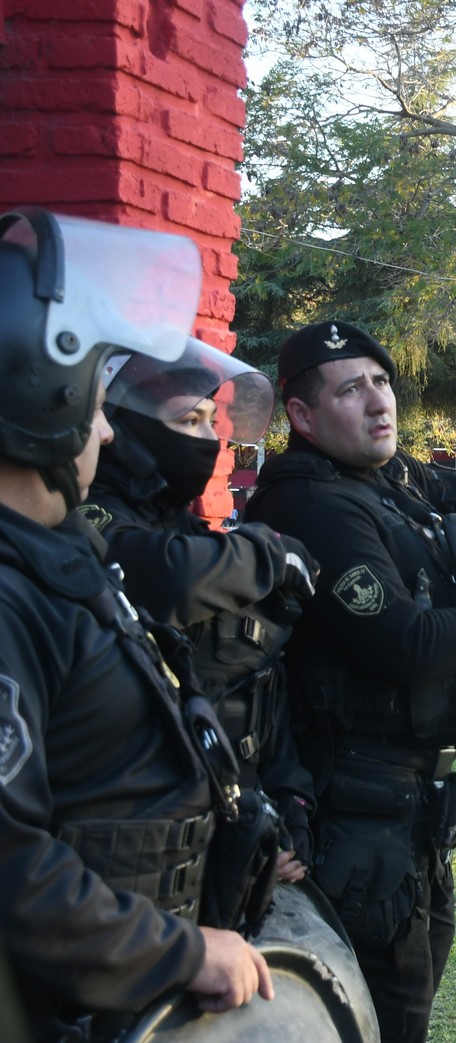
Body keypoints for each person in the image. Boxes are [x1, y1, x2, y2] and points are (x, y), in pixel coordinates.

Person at [243, 318, 456, 1043]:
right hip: (350, 816)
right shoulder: (310, 501)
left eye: (381, 382)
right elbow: (406, 643)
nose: (377, 402)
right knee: (380, 1019)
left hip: (408, 816)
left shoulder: (388, 477)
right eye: (350, 389)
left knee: (408, 1002)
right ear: (302, 415)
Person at [0, 209, 272, 1040]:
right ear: (45, 399)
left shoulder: (52, 559)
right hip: (73, 1004)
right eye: (94, 402)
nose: (110, 428)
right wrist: (178, 952)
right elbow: (9, 861)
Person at [83, 340, 320, 892]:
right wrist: (267, 553)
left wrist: (288, 809)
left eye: (214, 420)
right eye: (189, 419)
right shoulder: (87, 515)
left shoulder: (191, 535)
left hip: (227, 842)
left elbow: (256, 688)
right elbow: (160, 577)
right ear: (125, 427)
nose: (210, 438)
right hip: (129, 858)